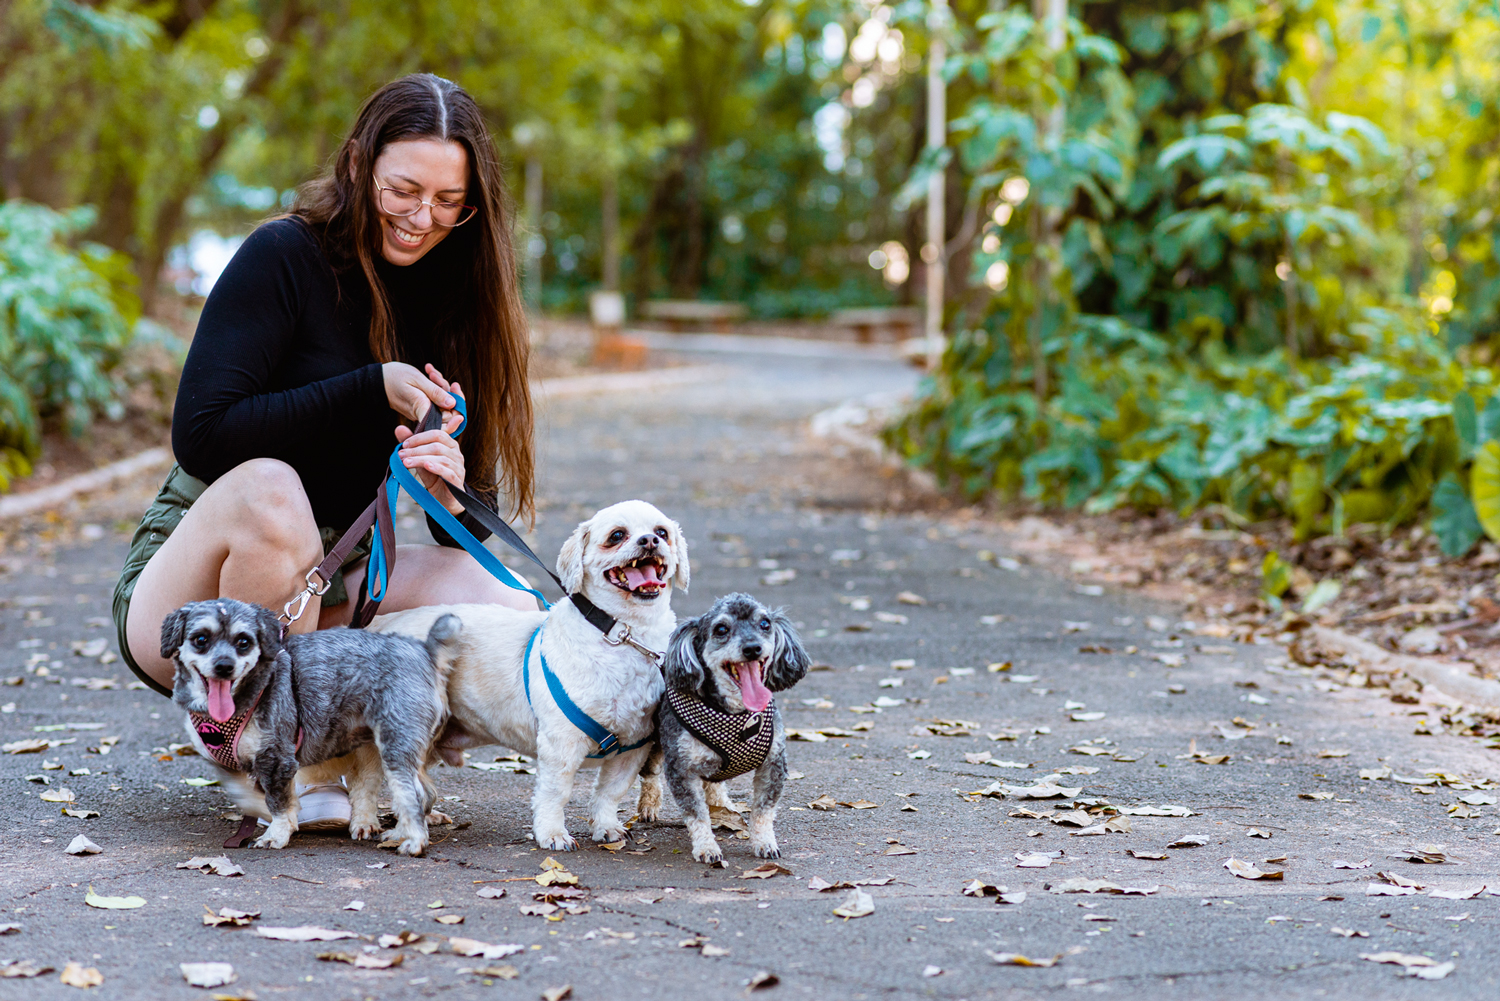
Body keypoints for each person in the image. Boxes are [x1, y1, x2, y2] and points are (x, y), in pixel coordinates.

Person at [111, 73, 537, 827]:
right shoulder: (284, 256)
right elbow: (201, 433)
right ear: (358, 164)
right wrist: (367, 386)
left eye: (448, 202)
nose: (422, 218)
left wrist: (449, 492)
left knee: (509, 601)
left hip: (333, 580)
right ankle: (286, 767)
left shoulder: (460, 300)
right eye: (403, 190)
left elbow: (461, 533)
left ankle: (373, 751)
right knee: (273, 491)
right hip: (198, 592)